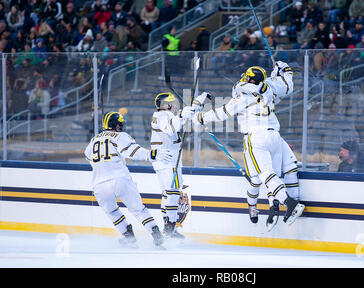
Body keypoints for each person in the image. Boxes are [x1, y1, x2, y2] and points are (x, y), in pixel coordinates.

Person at [192, 62, 305, 228]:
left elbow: (224, 112)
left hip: (256, 137)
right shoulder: (270, 90)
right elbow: (286, 87)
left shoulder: (244, 94)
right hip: (274, 135)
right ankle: (282, 204)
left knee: (265, 175)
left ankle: (289, 203)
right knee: (273, 174)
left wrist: (201, 117)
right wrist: (283, 72)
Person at [84, 111, 173, 248]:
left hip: (99, 184)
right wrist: (151, 154)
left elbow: (88, 156)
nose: (122, 125)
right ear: (117, 124)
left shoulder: (93, 140)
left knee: (112, 211)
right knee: (139, 210)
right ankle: (156, 234)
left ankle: (128, 237)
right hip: (120, 178)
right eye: (120, 123)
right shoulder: (120, 136)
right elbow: (131, 151)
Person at [150, 92, 202, 238]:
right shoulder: (163, 116)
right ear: (165, 105)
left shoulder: (163, 115)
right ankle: (170, 228)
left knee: (167, 193)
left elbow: (178, 123)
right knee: (173, 192)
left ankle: (168, 224)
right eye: (171, 103)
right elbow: (170, 128)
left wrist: (195, 107)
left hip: (164, 160)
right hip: (169, 159)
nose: (174, 105)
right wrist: (182, 115)